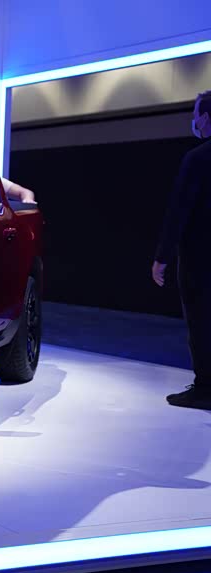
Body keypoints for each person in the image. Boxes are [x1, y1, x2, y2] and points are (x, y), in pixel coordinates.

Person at [152, 90, 211, 410]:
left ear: (205, 118)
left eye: (196, 114)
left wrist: (162, 256)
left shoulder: (198, 158)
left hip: (200, 258)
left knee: (201, 321)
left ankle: (205, 389)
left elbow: (179, 210)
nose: (194, 120)